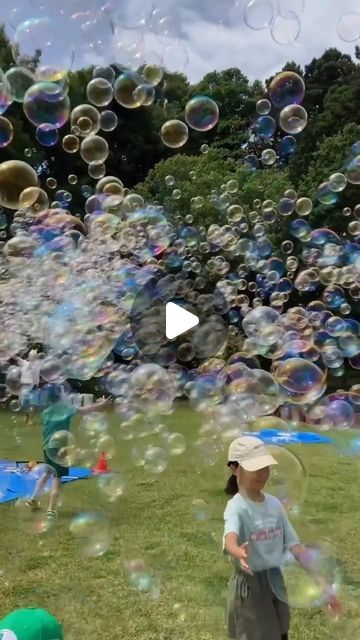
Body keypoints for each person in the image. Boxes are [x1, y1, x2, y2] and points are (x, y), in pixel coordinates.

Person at [223, 436, 341, 640]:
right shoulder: (237, 507)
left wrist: (323, 585)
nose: (263, 474)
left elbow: (296, 547)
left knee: (280, 632)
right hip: (250, 587)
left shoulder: (274, 505)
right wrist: (236, 550)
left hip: (275, 581)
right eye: (256, 468)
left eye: (266, 467)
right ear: (235, 469)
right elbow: (230, 536)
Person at [26, 385, 111, 519]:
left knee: (47, 472)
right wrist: (102, 404)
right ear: (61, 397)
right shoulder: (66, 409)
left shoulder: (46, 412)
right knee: (57, 478)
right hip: (61, 449)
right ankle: (51, 509)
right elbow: (86, 410)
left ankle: (34, 499)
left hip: (47, 447)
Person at [16, 350, 41, 424]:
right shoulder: (24, 363)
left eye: (34, 356)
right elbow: (16, 358)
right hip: (24, 386)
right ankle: (27, 416)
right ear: (29, 357)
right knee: (23, 404)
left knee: (33, 403)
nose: (32, 357)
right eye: (31, 356)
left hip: (34, 386)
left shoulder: (38, 364)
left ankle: (31, 419)